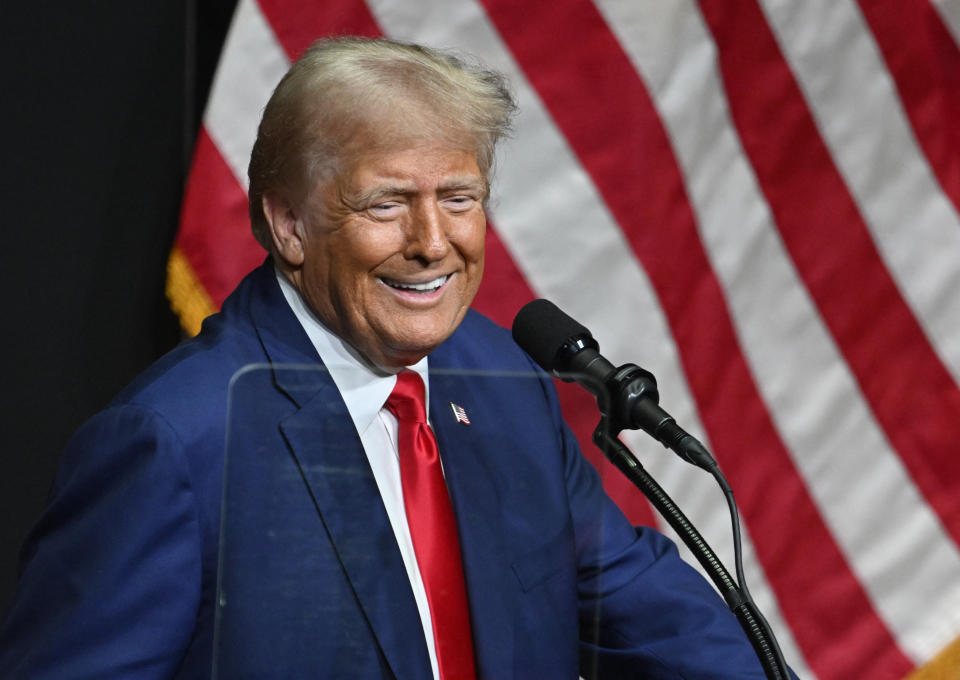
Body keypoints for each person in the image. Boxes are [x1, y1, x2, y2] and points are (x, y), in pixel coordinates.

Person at [0, 37, 784, 678]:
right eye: (386, 204)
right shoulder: (175, 442)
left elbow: (640, 607)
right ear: (288, 225)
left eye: (458, 198)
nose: (433, 244)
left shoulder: (504, 380)